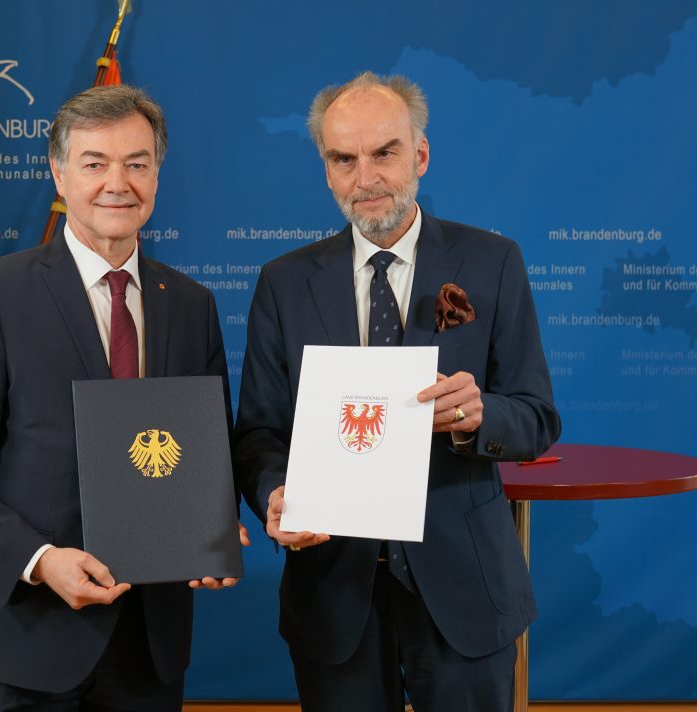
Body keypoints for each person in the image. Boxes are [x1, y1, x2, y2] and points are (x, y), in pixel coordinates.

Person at [233, 71, 561, 711]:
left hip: (464, 586)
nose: (366, 178)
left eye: (384, 152)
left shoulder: (493, 263)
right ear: (326, 170)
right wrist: (274, 492)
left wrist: (477, 416)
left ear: (421, 154)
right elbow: (259, 433)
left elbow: (536, 417)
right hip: (333, 592)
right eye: (343, 159)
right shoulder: (284, 282)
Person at [0, 84, 243, 711]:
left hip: (148, 651)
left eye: (137, 163)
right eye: (95, 163)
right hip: (24, 646)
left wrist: (211, 530)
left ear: (157, 174)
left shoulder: (192, 305)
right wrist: (40, 561)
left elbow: (206, 457)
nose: (117, 183)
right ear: (58, 173)